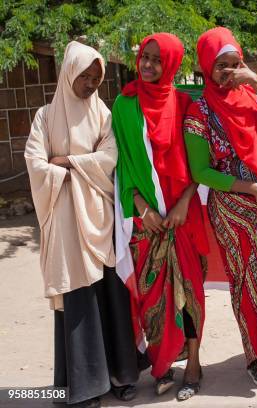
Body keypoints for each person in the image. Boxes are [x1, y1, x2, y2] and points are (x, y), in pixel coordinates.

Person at [25, 41, 140, 408]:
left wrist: (69, 163)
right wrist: (71, 165)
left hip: (98, 220)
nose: (90, 84)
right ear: (69, 73)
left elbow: (110, 158)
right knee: (78, 300)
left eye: (96, 77)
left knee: (110, 295)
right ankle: (83, 387)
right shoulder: (45, 116)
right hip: (65, 225)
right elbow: (35, 163)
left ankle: (122, 375)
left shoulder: (103, 114)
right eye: (84, 76)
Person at [184, 27, 257, 391]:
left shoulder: (251, 96)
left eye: (236, 64)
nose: (229, 72)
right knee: (249, 284)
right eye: (222, 66)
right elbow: (201, 171)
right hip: (234, 208)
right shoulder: (199, 111)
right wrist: (250, 188)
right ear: (206, 67)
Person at [113, 33, 208, 401]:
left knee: (189, 293)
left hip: (183, 217)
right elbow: (119, 164)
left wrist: (185, 201)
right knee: (152, 298)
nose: (149, 65)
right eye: (145, 57)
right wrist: (139, 205)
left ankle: (195, 362)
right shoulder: (125, 105)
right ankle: (163, 364)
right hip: (147, 221)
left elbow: (200, 163)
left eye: (157, 59)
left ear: (170, 63)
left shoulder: (186, 103)